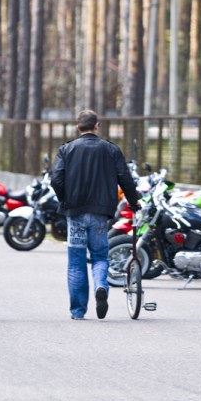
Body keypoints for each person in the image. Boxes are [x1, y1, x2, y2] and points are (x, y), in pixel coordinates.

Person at [51, 110, 140, 320]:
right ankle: (101, 285)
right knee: (100, 256)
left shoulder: (66, 150)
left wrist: (65, 198)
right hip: (100, 213)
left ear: (77, 127)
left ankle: (78, 311)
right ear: (97, 126)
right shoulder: (111, 149)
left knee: (76, 262)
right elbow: (125, 178)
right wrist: (133, 201)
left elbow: (56, 179)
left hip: (75, 213)